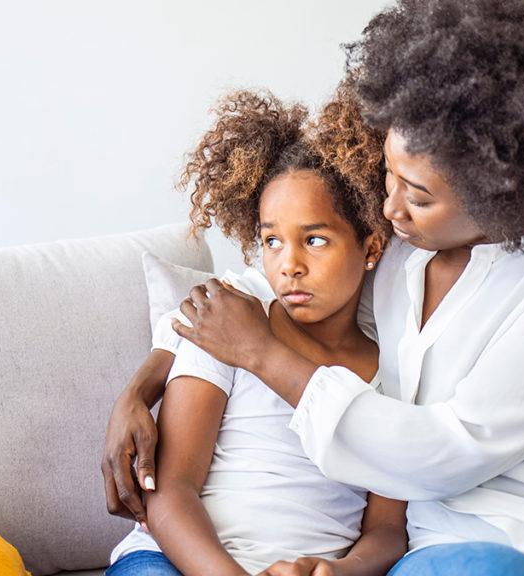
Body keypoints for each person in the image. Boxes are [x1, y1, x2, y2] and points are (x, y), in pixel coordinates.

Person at [102, 1, 524, 575]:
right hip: (459, 552)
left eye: (417, 195)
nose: (388, 208)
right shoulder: (394, 254)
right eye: (388, 173)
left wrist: (261, 354)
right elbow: (252, 289)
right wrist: (140, 388)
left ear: (501, 190)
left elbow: (448, 452)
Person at [105, 87, 407, 576]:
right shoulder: (230, 321)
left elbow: (387, 530)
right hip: (175, 561)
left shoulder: (393, 370)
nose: (289, 265)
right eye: (271, 240)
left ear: (370, 247)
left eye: (315, 240)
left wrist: (340, 572)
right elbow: (172, 489)